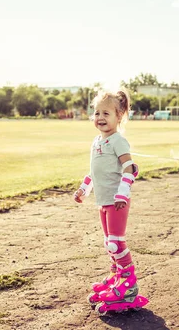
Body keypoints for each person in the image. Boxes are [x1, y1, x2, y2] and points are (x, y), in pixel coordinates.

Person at [73, 89, 148, 314]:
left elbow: (129, 168)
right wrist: (84, 189)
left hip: (117, 202)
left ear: (120, 116)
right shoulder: (97, 141)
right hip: (103, 200)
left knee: (115, 242)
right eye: (97, 113)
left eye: (106, 113)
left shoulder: (118, 141)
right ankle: (117, 277)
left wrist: (123, 193)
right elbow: (95, 171)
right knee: (109, 243)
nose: (100, 118)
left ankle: (128, 286)